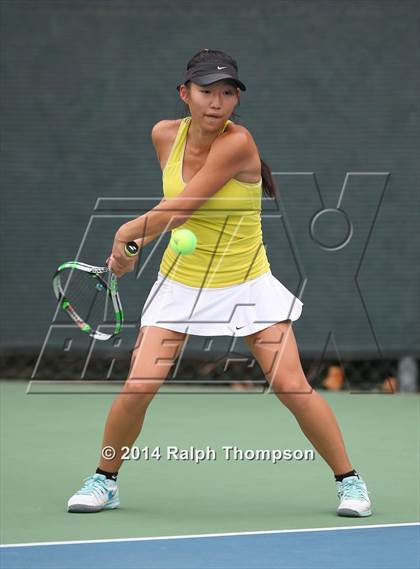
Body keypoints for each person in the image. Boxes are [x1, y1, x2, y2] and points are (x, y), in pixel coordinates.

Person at [67, 49, 371, 517]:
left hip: (245, 282)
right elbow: (172, 204)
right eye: (207, 91)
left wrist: (127, 234)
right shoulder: (163, 136)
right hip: (181, 282)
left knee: (292, 386)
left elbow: (181, 210)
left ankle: (349, 482)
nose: (218, 102)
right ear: (184, 94)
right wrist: (129, 251)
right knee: (137, 387)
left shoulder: (239, 143)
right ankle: (105, 480)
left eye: (228, 93)